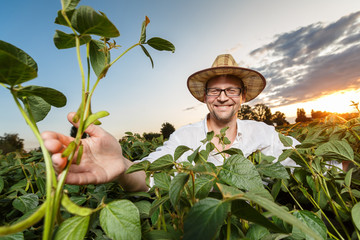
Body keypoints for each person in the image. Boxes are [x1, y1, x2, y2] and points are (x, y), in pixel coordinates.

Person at [42, 54, 299, 192]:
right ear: (205, 98)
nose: (222, 97)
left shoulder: (264, 134)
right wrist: (121, 166)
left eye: (232, 90)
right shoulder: (184, 139)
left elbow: (305, 160)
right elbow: (150, 176)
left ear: (243, 96)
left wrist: (340, 163)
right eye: (214, 91)